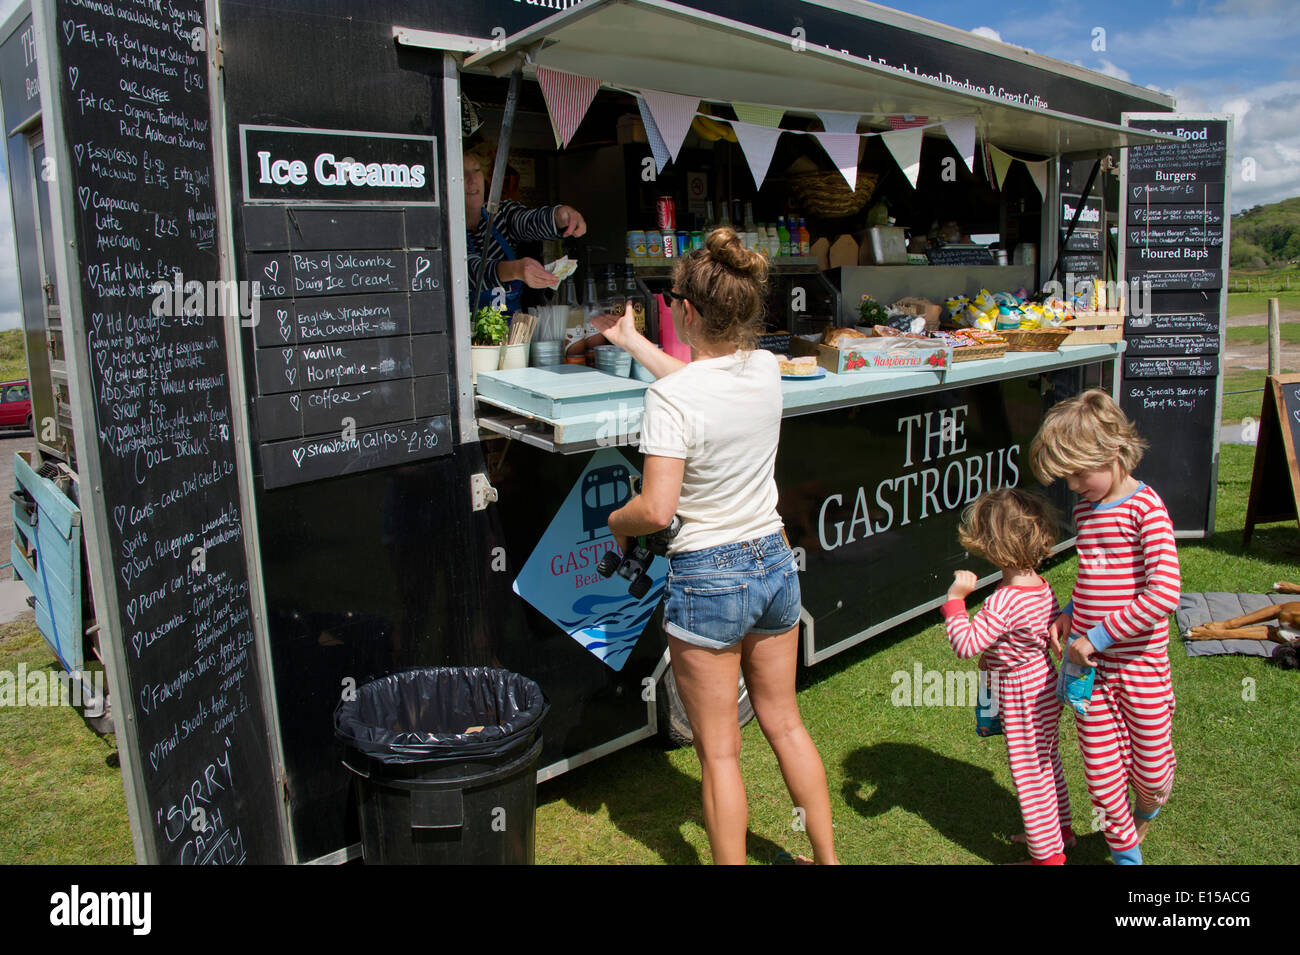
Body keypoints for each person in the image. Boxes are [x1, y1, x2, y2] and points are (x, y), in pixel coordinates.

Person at [594, 227, 838, 865]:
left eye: (673, 299)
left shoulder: (670, 399)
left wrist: (618, 524)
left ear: (690, 310)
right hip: (774, 562)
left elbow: (656, 509)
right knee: (785, 724)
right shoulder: (763, 367)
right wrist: (635, 343)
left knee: (720, 752)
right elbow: (699, 389)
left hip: (710, 576)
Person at [1029, 389, 1181, 866]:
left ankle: (1149, 808)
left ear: (1113, 453)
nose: (1073, 486)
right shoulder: (1086, 510)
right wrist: (1072, 612)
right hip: (1089, 673)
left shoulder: (1146, 511)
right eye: (1066, 476)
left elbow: (1164, 595)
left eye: (1078, 473)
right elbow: (1097, 578)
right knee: (1101, 775)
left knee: (1151, 774)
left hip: (1139, 669)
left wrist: (1095, 637)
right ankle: (1126, 857)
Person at [942, 488, 1074, 865]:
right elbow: (1022, 640)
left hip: (1021, 693)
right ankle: (1061, 831)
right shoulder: (1041, 588)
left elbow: (967, 644)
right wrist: (995, 660)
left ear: (992, 544)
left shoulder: (1004, 600)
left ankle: (1047, 857)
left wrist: (955, 601)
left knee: (1029, 775)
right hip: (1043, 683)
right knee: (1046, 759)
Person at [463, 150, 586, 314]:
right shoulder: (444, 230)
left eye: (476, 170)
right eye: (462, 173)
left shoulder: (501, 214)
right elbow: (470, 271)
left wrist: (560, 216)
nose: (471, 180)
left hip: (514, 332)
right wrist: (515, 270)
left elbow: (528, 220)